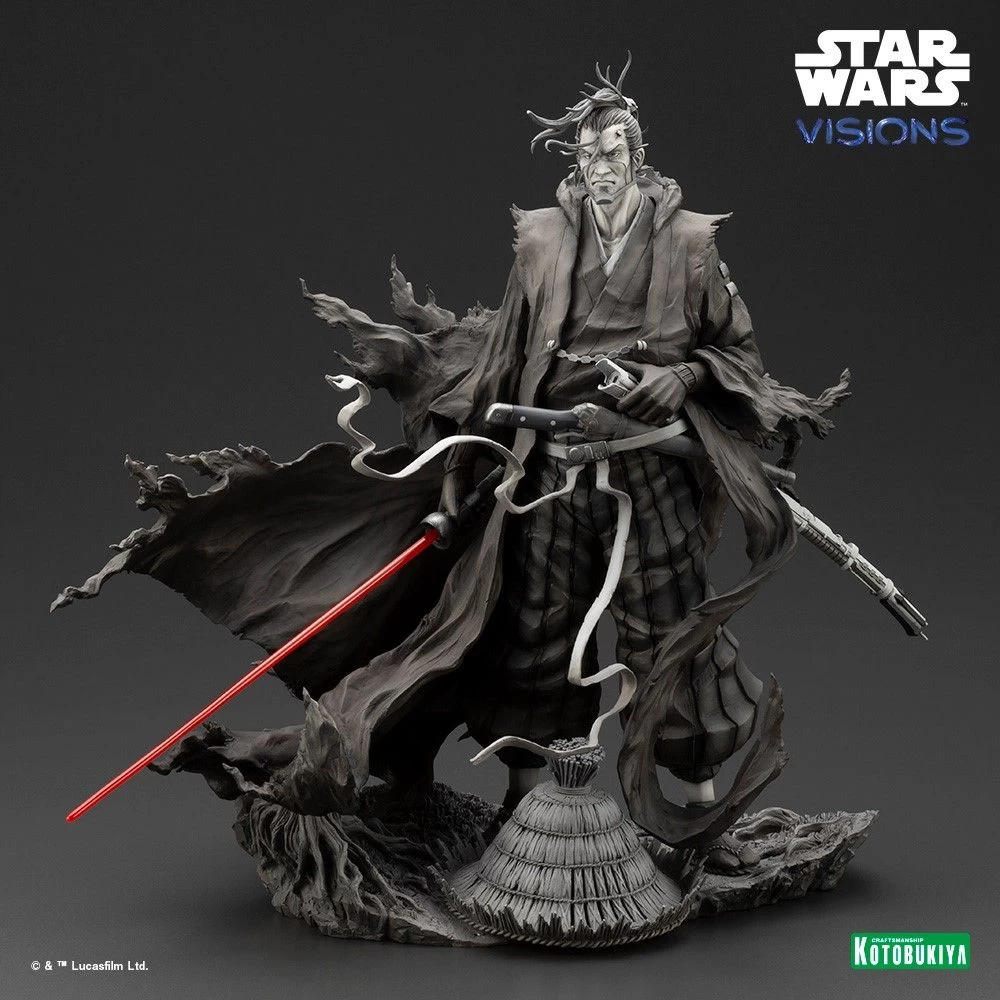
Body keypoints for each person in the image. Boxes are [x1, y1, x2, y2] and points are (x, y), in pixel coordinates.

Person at [55, 57, 850, 872]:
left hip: (651, 475)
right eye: (587, 155)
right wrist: (460, 486)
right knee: (536, 630)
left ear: (638, 154)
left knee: (672, 631)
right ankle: (523, 800)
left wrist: (679, 378)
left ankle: (698, 809)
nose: (600, 168)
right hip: (548, 473)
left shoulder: (689, 246)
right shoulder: (543, 241)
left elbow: (737, 357)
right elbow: (506, 360)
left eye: (613, 152)